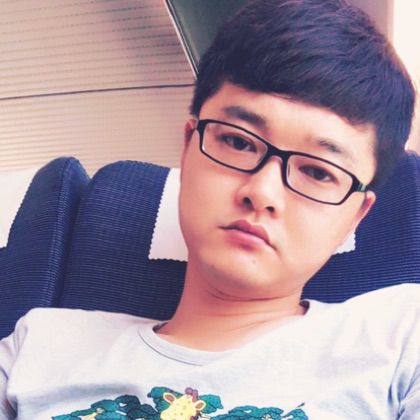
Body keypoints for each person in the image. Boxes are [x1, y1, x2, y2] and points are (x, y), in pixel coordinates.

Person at [0, 0, 418, 418]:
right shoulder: (39, 346)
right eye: (238, 142)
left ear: (355, 216)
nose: (263, 192)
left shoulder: (397, 339)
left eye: (318, 172)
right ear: (188, 149)